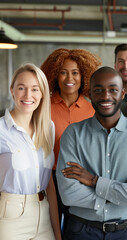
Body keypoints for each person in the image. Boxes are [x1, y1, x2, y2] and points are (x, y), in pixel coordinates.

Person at [56, 66, 127, 240]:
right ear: (90, 93)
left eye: (113, 90)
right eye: (98, 90)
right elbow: (69, 195)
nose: (105, 96)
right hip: (81, 231)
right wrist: (123, 191)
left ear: (123, 93)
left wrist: (93, 181)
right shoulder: (72, 134)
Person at [41, 48, 101, 232]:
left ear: (84, 76)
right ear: (54, 75)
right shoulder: (43, 106)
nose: (69, 78)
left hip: (81, 180)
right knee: (51, 229)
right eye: (63, 72)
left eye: (75, 73)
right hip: (49, 179)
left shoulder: (92, 109)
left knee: (78, 231)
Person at [0, 63, 61, 239]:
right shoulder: (1, 130)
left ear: (42, 94)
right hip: (9, 218)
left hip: (43, 215)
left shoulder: (48, 127)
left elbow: (48, 182)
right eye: (21, 88)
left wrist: (57, 232)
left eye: (35, 89)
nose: (28, 95)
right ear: (12, 90)